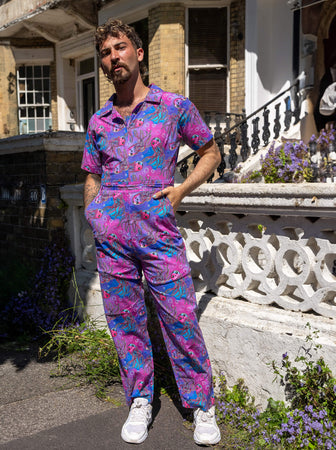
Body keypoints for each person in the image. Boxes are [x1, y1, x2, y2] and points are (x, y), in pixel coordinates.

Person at [82, 18, 221, 446]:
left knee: (180, 320)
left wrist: (181, 189)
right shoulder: (99, 121)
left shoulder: (173, 107)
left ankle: (201, 406)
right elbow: (90, 173)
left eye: (119, 48)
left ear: (138, 53)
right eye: (106, 53)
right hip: (113, 242)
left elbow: (210, 151)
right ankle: (140, 398)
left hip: (159, 236)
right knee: (126, 324)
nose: (113, 58)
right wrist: (94, 214)